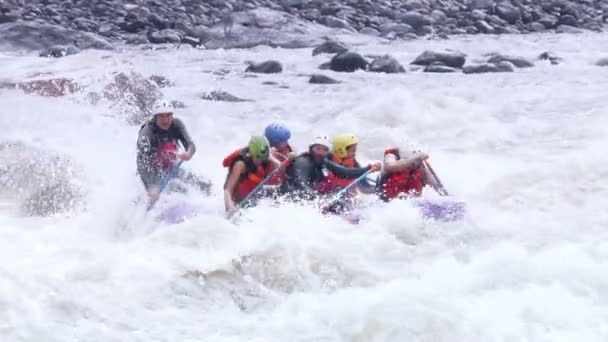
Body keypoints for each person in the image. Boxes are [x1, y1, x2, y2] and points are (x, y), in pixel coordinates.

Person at [136, 101, 211, 202]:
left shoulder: (177, 125)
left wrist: (188, 153)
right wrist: (151, 187)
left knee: (205, 185)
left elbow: (191, 145)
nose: (165, 120)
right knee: (168, 194)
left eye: (168, 115)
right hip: (152, 172)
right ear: (155, 117)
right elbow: (142, 164)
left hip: (171, 168)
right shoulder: (147, 134)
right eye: (161, 116)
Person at [223, 135, 283, 217]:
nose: (260, 162)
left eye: (262, 159)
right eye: (258, 159)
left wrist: (277, 163)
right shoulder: (240, 164)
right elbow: (227, 190)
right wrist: (230, 207)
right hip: (236, 192)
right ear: (252, 155)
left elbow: (271, 158)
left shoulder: (263, 154)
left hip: (250, 184)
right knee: (239, 206)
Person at [376, 147, 441, 201]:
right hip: (387, 201)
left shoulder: (420, 167)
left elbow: (437, 187)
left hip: (412, 206)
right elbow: (390, 166)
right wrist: (415, 158)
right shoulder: (391, 157)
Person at [264, 123, 296, 189]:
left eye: (287, 140)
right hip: (269, 187)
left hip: (283, 184)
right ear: (274, 142)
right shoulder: (271, 151)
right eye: (284, 141)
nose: (287, 143)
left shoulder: (289, 148)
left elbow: (295, 156)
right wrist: (276, 162)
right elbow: (268, 155)